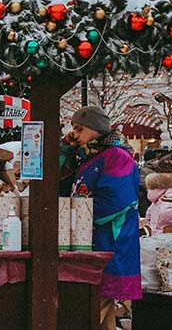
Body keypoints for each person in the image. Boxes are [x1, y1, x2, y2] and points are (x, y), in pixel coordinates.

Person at [61, 105, 141, 330]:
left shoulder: (116, 156)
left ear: (96, 129)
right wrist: (65, 148)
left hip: (108, 240)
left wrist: (81, 217)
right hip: (93, 239)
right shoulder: (89, 156)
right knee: (99, 306)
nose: (75, 134)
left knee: (95, 305)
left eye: (79, 129)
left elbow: (115, 199)